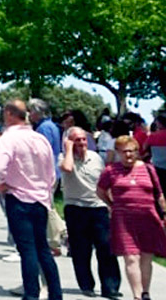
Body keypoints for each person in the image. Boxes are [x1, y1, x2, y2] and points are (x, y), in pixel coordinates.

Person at [0, 100, 62, 300]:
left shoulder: (9, 138)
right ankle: (55, 293)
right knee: (43, 248)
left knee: (27, 250)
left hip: (19, 196)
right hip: (39, 198)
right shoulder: (40, 139)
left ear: (8, 114)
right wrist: (44, 190)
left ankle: (31, 293)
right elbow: (51, 172)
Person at [97, 135, 166, 300]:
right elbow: (100, 191)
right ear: (118, 152)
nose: (128, 155)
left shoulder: (148, 169)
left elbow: (159, 194)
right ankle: (136, 296)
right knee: (131, 257)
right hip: (123, 219)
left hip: (148, 217)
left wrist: (164, 213)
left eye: (132, 151)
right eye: (124, 152)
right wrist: (112, 205)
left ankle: (145, 292)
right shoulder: (111, 170)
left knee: (146, 258)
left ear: (137, 151)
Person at [60, 126, 121, 299]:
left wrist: (110, 204)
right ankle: (86, 285)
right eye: (76, 139)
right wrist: (69, 149)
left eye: (83, 139)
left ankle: (110, 288)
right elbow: (68, 168)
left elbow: (103, 183)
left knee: (106, 247)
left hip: (97, 207)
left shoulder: (95, 158)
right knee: (81, 250)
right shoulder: (63, 158)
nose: (81, 142)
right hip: (75, 208)